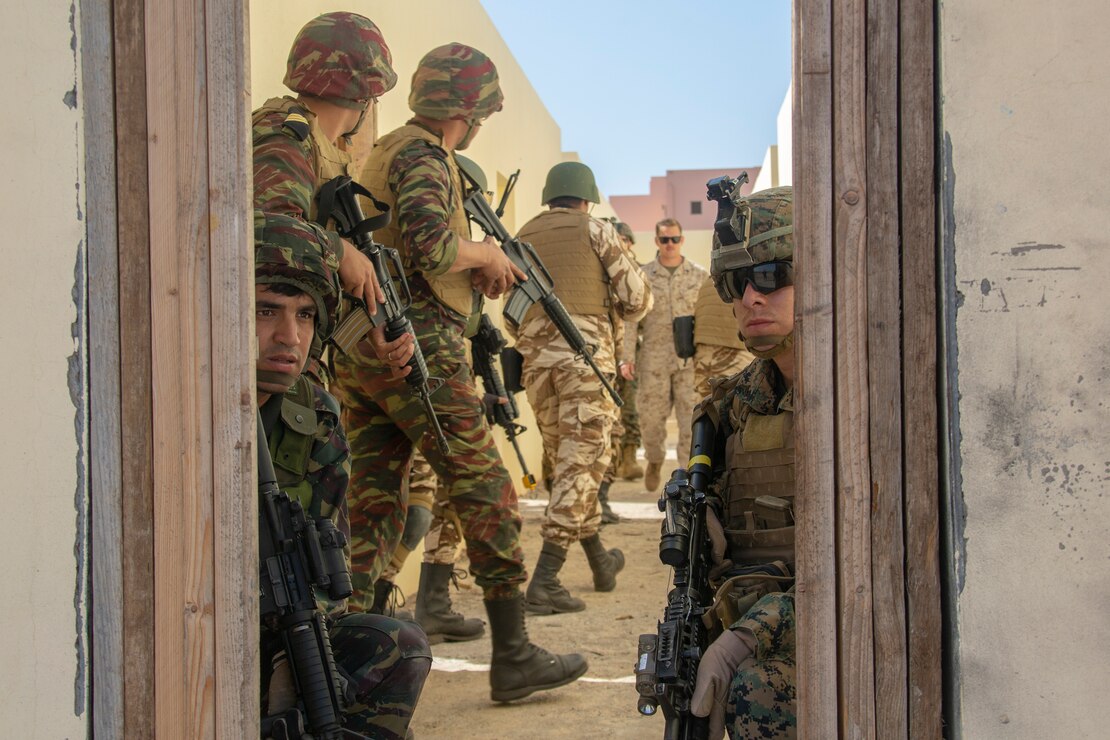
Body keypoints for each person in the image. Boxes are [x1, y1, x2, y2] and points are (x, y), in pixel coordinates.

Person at [329, 43, 587, 702]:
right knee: (485, 489)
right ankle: (513, 653)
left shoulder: (390, 146)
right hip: (417, 350)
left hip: (371, 349)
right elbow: (429, 245)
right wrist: (487, 252)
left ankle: (340, 657)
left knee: (373, 505)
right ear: (466, 112)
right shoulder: (421, 155)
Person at [254, 211, 431, 739]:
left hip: (278, 630)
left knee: (399, 645)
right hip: (188, 625)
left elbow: (326, 564)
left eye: (306, 315)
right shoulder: (181, 403)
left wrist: (301, 657)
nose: (290, 336)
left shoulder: (314, 417)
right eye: (267, 311)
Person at [513, 162, 652, 614]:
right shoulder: (597, 230)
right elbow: (636, 300)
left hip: (536, 368)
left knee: (572, 465)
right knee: (581, 466)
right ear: (587, 197)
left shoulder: (522, 234)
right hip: (584, 363)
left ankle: (600, 562)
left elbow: (510, 315)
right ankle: (546, 580)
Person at [688, 186, 798, 739]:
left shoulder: (865, 408)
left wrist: (748, 638)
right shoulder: (728, 406)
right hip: (760, 622)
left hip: (845, 634)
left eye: (774, 274)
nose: (753, 297)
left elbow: (878, 576)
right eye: (736, 283)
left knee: (757, 690)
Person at [253, 11, 399, 327]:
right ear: (368, 95)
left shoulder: (315, 142)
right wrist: (341, 251)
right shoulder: (287, 133)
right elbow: (268, 233)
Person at [622, 218, 708, 491]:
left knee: (689, 419)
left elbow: (707, 316)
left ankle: (684, 473)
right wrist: (627, 357)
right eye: (664, 239)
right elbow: (631, 320)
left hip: (689, 361)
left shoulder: (699, 275)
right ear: (656, 241)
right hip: (653, 359)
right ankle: (655, 460)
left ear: (682, 240)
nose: (669, 244)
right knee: (651, 420)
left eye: (674, 239)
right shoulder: (643, 275)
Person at [692, 275, 756, 397]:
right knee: (738, 405)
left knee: (705, 408)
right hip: (735, 354)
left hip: (703, 357)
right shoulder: (744, 279)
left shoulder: (708, 283)